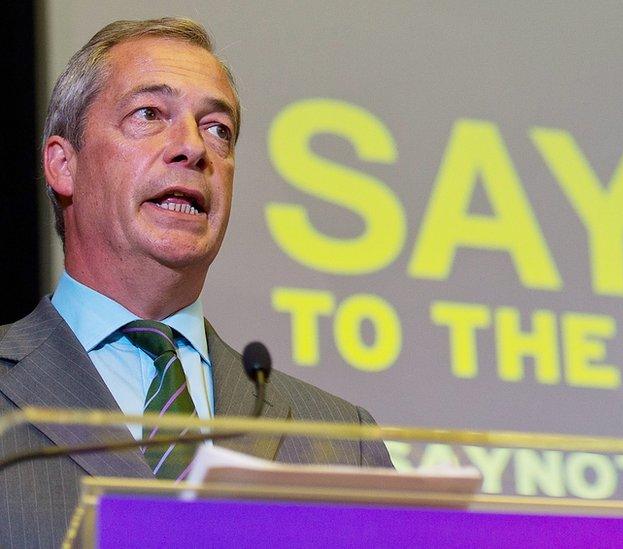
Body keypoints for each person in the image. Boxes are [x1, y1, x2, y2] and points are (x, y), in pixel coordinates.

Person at [0, 17, 392, 547]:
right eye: (149, 114)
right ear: (64, 165)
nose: (193, 148)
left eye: (218, 128)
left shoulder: (341, 443)